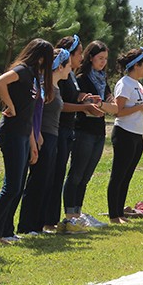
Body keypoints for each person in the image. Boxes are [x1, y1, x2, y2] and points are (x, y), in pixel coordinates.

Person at [0, 39, 53, 246]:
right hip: (11, 133)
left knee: (17, 186)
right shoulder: (23, 70)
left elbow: (29, 114)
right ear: (40, 58)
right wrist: (10, 105)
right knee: (11, 187)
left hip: (23, 134)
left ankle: (0, 233)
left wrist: (32, 144)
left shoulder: (35, 77)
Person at [45, 35, 104, 234]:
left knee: (61, 175)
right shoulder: (61, 74)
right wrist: (84, 107)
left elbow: (71, 96)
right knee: (57, 177)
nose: (81, 57)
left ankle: (59, 220)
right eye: (79, 53)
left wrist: (84, 97)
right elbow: (60, 103)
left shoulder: (69, 75)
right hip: (58, 128)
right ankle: (51, 220)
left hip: (67, 130)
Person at [62, 40, 118, 228]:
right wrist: (100, 105)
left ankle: (78, 214)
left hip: (99, 132)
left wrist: (101, 104)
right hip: (83, 130)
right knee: (76, 174)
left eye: (106, 59)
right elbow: (85, 105)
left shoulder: (103, 79)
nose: (103, 62)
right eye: (100, 58)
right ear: (90, 57)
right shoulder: (82, 78)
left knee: (86, 177)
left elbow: (114, 108)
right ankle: (70, 215)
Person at [18, 48, 73, 235]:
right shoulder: (44, 87)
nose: (71, 69)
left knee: (47, 182)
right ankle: (27, 225)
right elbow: (34, 113)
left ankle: (38, 224)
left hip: (53, 136)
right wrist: (37, 135)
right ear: (60, 67)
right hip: (44, 136)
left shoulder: (55, 87)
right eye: (68, 65)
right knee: (37, 181)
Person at [107, 47, 143, 224]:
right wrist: (139, 108)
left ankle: (120, 213)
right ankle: (113, 215)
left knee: (127, 176)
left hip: (137, 134)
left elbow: (135, 107)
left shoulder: (138, 85)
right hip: (124, 133)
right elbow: (118, 111)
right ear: (136, 65)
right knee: (118, 175)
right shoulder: (125, 83)